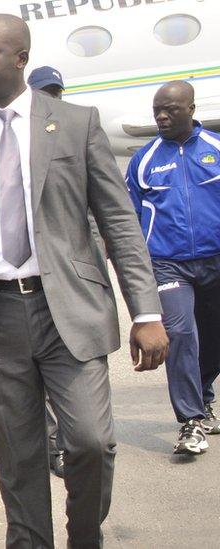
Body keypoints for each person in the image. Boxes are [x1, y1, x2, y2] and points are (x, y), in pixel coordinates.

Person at [0, 14, 169, 548]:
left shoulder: (76, 124)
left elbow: (119, 221)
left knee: (91, 442)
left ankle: (84, 536)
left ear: (20, 59)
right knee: (19, 458)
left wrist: (146, 312)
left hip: (70, 310)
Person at [126, 80, 220, 454]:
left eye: (171, 110)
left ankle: (202, 392)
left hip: (216, 258)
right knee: (180, 333)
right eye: (157, 112)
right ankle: (191, 421)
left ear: (191, 110)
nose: (162, 117)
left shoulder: (215, 148)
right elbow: (128, 219)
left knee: (213, 336)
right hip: (168, 264)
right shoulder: (144, 160)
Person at [28, 66, 69, 476]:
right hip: (22, 287)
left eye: (56, 92)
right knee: (33, 380)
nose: (50, 99)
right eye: (44, 92)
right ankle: (53, 444)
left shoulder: (73, 135)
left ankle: (71, 442)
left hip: (67, 283)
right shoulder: (15, 141)